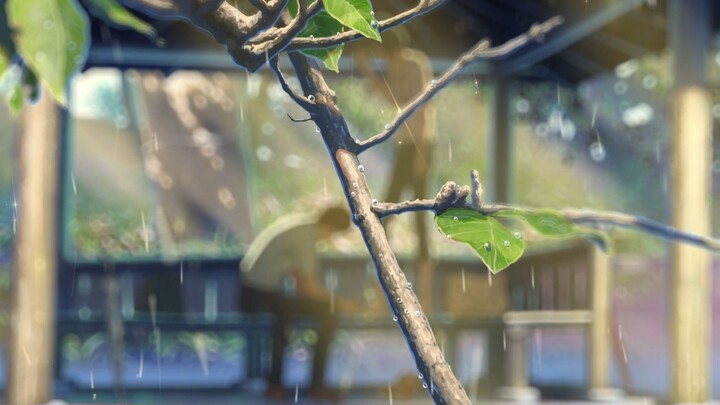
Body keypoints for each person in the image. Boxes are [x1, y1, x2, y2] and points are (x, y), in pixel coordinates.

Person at [239, 206, 351, 399]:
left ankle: (302, 384)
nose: (330, 240)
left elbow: (301, 281)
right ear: (330, 227)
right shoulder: (305, 236)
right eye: (333, 234)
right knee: (293, 315)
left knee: (318, 312)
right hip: (259, 295)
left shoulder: (302, 228)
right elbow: (307, 287)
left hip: (264, 293)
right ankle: (289, 384)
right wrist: (344, 304)